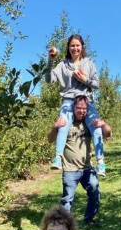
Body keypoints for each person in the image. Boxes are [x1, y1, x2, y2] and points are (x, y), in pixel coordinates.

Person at [45, 34, 106, 176]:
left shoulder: (89, 63)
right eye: (72, 45)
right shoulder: (63, 65)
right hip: (68, 102)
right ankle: (58, 159)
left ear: (82, 47)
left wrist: (85, 80)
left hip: (86, 102)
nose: (75, 48)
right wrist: (50, 60)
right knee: (63, 125)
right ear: (68, 47)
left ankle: (101, 163)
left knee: (96, 127)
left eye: (77, 45)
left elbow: (97, 84)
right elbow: (48, 80)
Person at [48, 95, 112, 225]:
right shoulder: (66, 123)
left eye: (84, 108)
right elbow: (50, 139)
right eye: (79, 108)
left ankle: (89, 220)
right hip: (70, 170)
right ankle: (65, 226)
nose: (82, 111)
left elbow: (108, 134)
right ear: (74, 107)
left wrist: (104, 124)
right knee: (67, 199)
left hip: (87, 168)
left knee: (95, 192)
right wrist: (55, 127)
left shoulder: (90, 124)